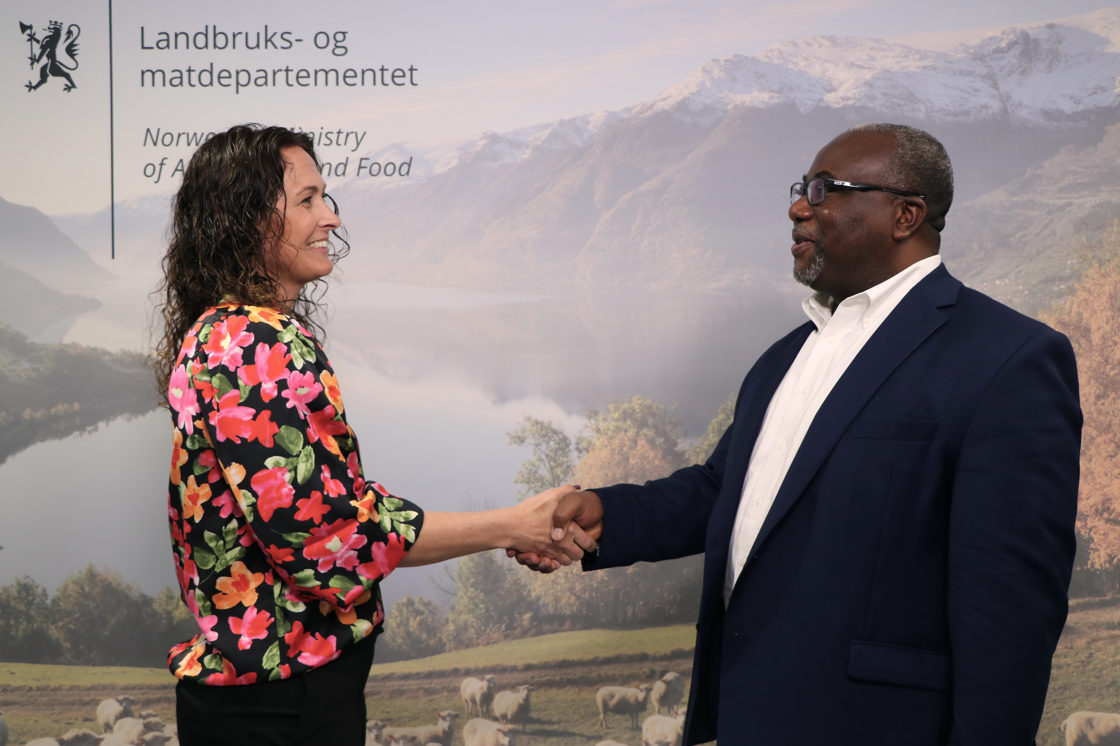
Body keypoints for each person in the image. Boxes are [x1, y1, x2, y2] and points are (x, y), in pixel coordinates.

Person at [522, 123, 1082, 745]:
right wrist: (606, 515)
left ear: (905, 215)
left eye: (824, 190)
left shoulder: (1009, 359)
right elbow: (726, 490)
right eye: (801, 189)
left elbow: (1010, 613)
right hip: (750, 718)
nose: (798, 208)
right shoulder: (786, 356)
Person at [151, 124, 593, 746]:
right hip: (282, 707)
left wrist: (514, 525)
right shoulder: (251, 347)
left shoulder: (226, 333)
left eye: (324, 197)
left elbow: (328, 508)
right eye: (306, 201)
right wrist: (513, 525)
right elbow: (328, 536)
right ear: (246, 221)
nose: (330, 217)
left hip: (272, 696)